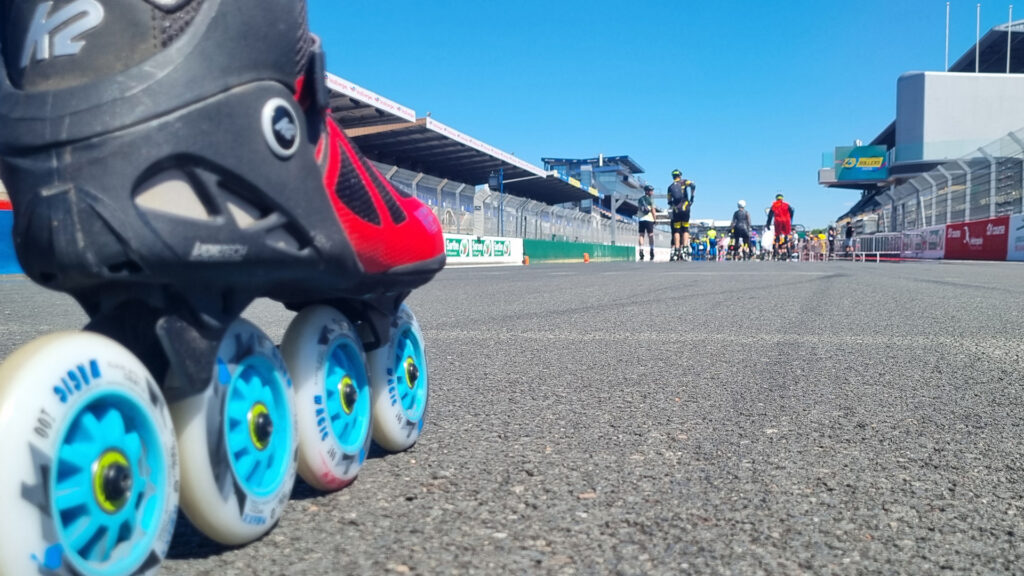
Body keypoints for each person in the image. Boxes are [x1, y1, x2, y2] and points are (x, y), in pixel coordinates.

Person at [666, 169, 696, 261]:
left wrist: (674, 206)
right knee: (685, 229)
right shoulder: (684, 182)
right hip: (685, 208)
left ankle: (676, 249)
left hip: (676, 210)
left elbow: (669, 201)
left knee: (676, 230)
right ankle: (685, 248)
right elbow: (693, 185)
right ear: (680, 176)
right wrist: (692, 198)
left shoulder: (670, 187)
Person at [765, 194, 794, 260]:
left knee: (777, 237)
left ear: (776, 199)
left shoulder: (774, 205)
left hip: (778, 221)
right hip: (786, 221)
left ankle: (775, 254)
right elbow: (792, 211)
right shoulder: (786, 205)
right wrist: (790, 218)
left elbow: (770, 216)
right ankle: (789, 253)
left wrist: (768, 224)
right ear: (782, 199)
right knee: (786, 236)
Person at [637, 184, 657, 261]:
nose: (652, 192)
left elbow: (639, 209)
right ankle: (651, 250)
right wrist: (655, 219)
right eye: (651, 191)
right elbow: (653, 210)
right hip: (649, 219)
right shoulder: (651, 200)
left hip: (641, 219)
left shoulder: (640, 199)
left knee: (641, 235)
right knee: (650, 235)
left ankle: (641, 249)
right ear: (648, 191)